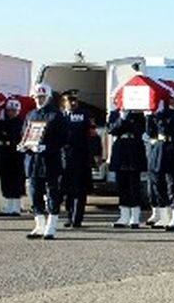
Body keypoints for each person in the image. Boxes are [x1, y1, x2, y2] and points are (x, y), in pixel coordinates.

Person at [21, 83, 69, 240]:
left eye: (42, 97)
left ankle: (51, 225)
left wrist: (46, 147)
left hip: (50, 161)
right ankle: (39, 224)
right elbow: (24, 134)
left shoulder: (56, 115)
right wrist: (24, 145)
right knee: (35, 193)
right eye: (36, 97)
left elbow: (63, 139)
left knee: (52, 193)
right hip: (33, 161)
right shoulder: (30, 115)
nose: (39, 100)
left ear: (48, 97)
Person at [146, 87, 174, 229]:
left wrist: (159, 114)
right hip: (159, 147)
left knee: (173, 183)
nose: (172, 100)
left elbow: (170, 127)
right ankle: (164, 215)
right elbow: (150, 132)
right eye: (171, 97)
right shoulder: (162, 112)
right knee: (157, 181)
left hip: (172, 148)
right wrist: (149, 116)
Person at [60, 89, 101, 228]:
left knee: (79, 190)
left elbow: (94, 136)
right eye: (69, 100)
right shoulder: (59, 116)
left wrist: (96, 154)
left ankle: (77, 219)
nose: (72, 103)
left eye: (74, 100)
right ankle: (70, 216)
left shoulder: (84, 116)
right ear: (63, 102)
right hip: (63, 159)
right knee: (67, 190)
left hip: (80, 158)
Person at [107, 103, 148, 228]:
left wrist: (129, 118)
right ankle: (124, 215)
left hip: (134, 149)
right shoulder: (115, 113)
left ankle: (135, 216)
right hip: (120, 149)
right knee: (122, 185)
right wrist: (122, 118)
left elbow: (139, 130)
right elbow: (112, 130)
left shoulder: (139, 114)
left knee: (133, 185)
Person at [0, 99, 26, 216]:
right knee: (5, 180)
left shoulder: (21, 122)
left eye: (13, 110)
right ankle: (8, 205)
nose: (10, 112)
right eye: (8, 110)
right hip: (4, 152)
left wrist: (4, 132)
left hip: (16, 153)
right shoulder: (2, 122)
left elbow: (15, 135)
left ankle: (16, 206)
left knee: (16, 180)